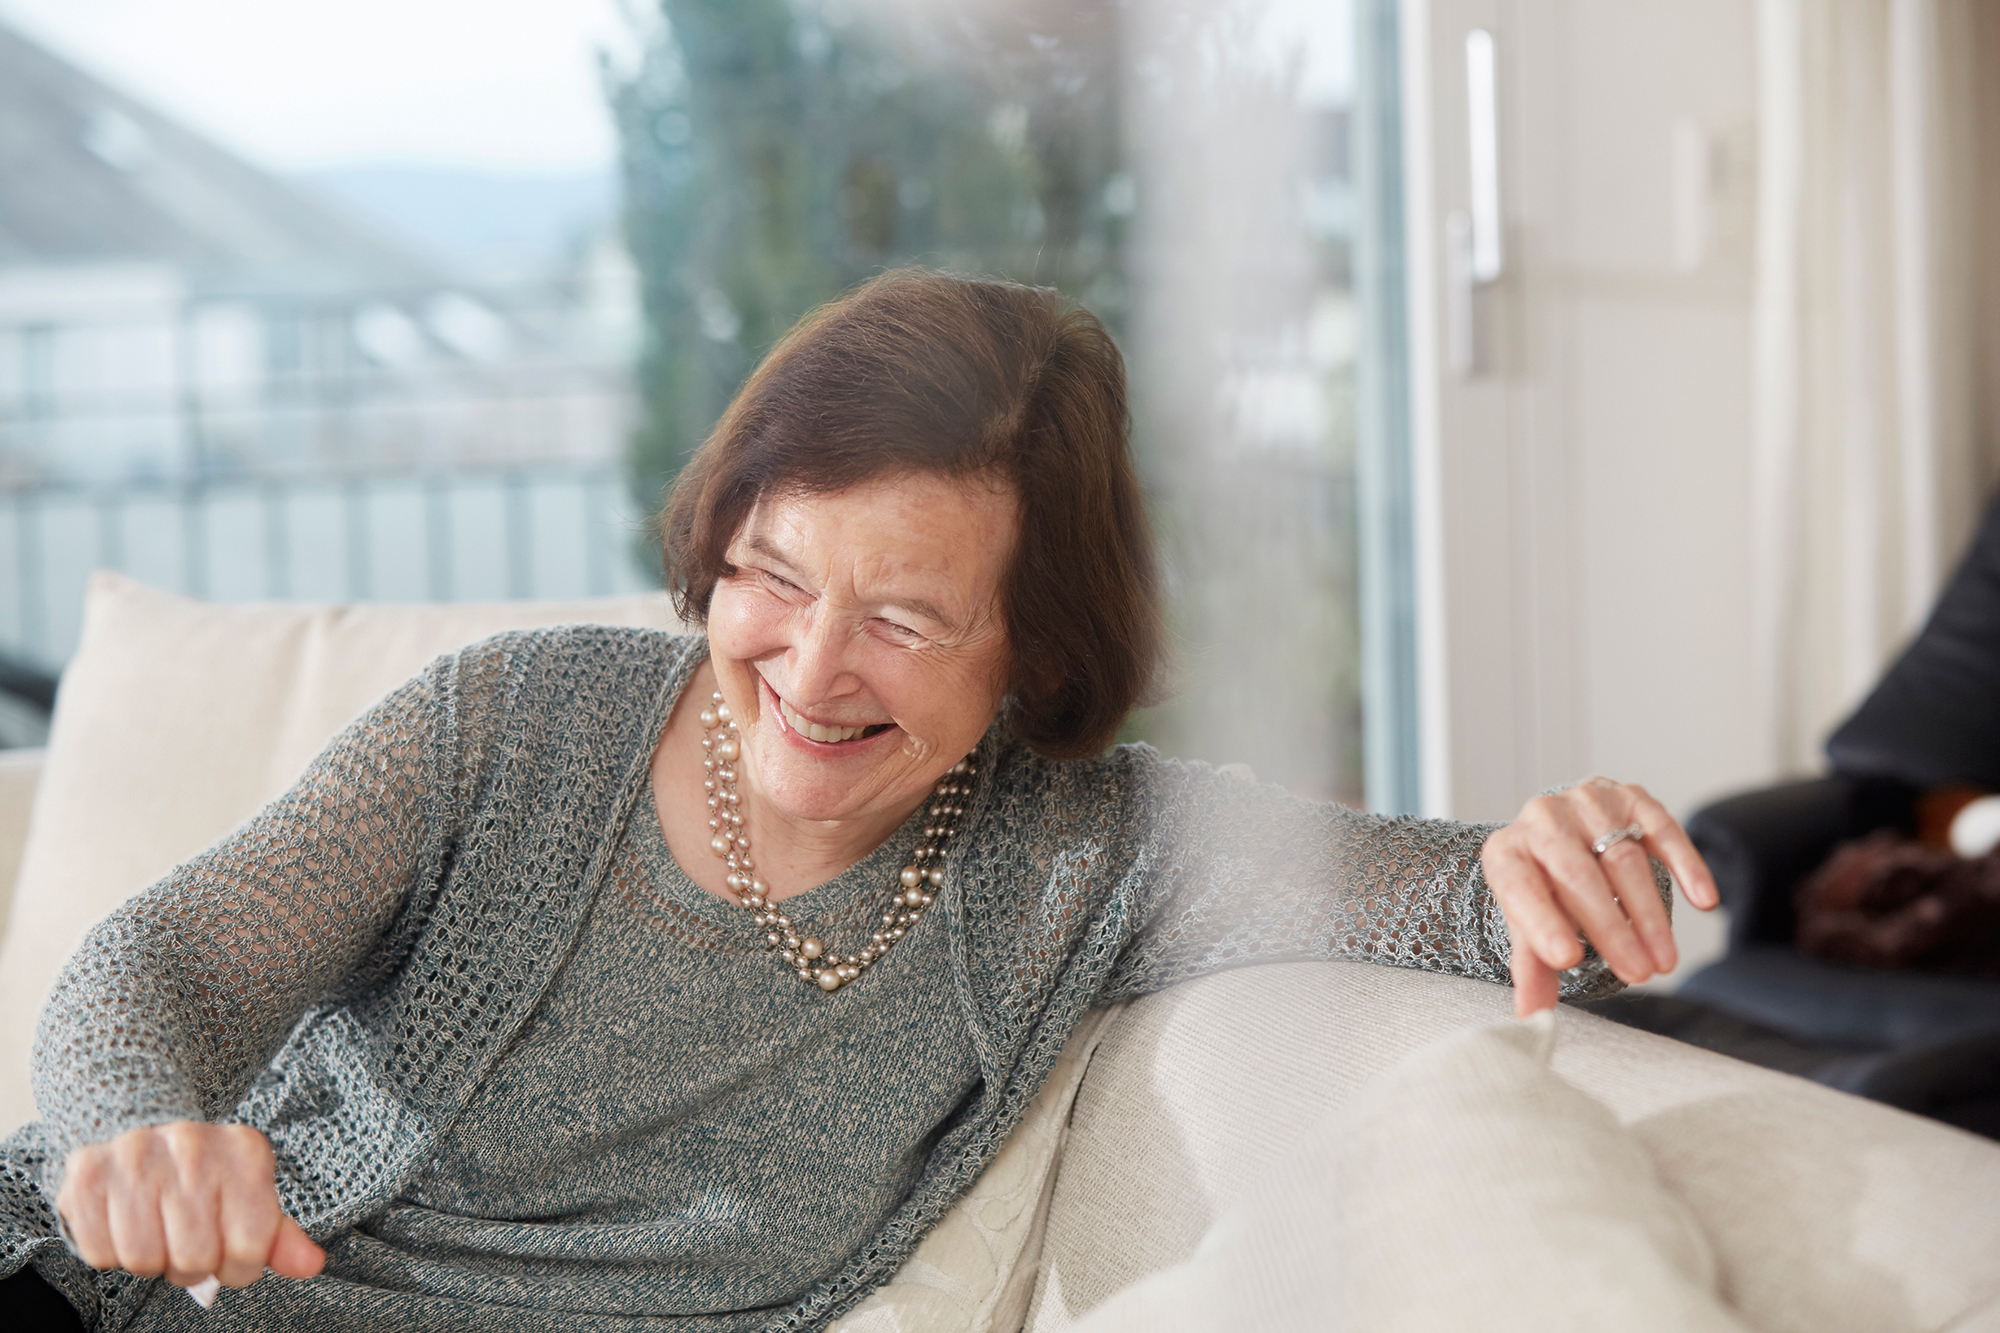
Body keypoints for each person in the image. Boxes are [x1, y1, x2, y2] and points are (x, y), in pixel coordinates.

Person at [0, 269, 1717, 1331]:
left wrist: (1563, 852)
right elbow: (167, 955)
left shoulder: (1081, 856)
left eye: (901, 618)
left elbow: (1472, 904)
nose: (811, 670)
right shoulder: (511, 721)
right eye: (771, 575)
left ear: (1033, 656)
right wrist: (135, 1127)